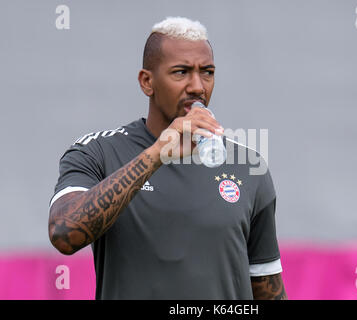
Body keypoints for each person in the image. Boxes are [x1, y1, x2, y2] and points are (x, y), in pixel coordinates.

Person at [48, 16, 286, 300]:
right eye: (181, 72)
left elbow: (267, 287)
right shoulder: (98, 152)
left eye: (207, 72)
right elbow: (64, 233)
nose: (198, 86)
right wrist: (157, 154)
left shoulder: (248, 165)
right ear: (147, 82)